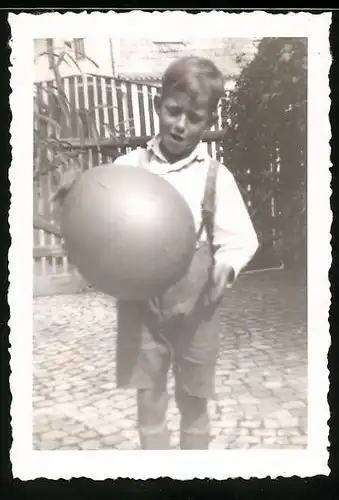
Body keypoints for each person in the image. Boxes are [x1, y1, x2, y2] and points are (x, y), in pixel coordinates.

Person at [55, 56, 259, 450]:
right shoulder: (128, 168)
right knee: (148, 399)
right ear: (158, 104)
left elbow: (241, 239)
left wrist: (227, 269)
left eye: (195, 117)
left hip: (198, 305)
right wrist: (76, 200)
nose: (181, 125)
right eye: (173, 111)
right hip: (140, 303)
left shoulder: (215, 175)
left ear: (208, 122)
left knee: (194, 399)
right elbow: (101, 221)